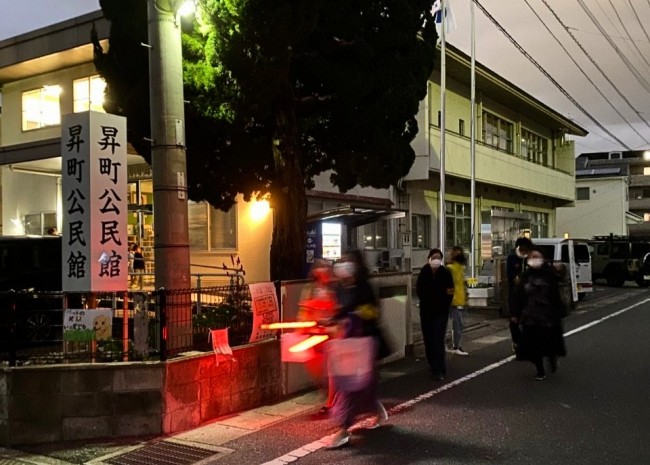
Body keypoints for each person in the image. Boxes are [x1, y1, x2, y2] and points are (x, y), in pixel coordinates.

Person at [326, 249, 388, 449]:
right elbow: (338, 311)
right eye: (341, 261)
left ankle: (343, 429)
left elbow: (373, 312)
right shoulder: (339, 287)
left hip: (364, 343)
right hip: (347, 343)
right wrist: (333, 320)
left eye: (348, 261)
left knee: (351, 387)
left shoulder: (364, 287)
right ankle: (373, 407)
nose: (343, 265)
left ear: (356, 265)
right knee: (356, 385)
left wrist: (354, 315)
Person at [512, 247, 567, 380]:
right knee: (533, 345)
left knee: (549, 342)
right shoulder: (526, 276)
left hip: (548, 315)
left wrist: (556, 268)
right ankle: (540, 370)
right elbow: (518, 295)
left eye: (537, 257)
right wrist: (515, 313)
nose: (535, 259)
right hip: (530, 316)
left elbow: (558, 282)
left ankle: (552, 358)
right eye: (533, 257)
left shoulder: (549, 273)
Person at [297, 259, 338, 415]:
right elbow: (304, 309)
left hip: (332, 331)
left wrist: (332, 320)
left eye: (325, 268)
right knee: (314, 364)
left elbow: (337, 308)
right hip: (315, 331)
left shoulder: (334, 287)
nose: (323, 270)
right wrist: (303, 323)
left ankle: (331, 400)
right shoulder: (310, 289)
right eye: (320, 268)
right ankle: (327, 390)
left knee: (331, 367)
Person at [416, 248, 454, 381]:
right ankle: (432, 364)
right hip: (426, 311)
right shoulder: (424, 272)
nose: (436, 260)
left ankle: (439, 369)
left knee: (438, 339)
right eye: (434, 257)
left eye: (438, 258)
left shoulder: (445, 273)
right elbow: (419, 290)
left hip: (441, 312)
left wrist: (445, 304)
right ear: (429, 259)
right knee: (428, 339)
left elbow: (450, 291)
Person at [506, 237, 534, 353]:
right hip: (515, 294)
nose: (524, 251)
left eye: (526, 249)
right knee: (514, 320)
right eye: (522, 249)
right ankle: (516, 342)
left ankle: (527, 343)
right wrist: (517, 280)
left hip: (529, 295)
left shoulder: (531, 258)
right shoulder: (512, 258)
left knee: (529, 320)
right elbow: (511, 277)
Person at [446, 246, 469, 356]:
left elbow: (462, 283)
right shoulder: (450, 268)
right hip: (453, 300)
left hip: (458, 299)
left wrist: (465, 294)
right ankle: (455, 346)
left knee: (456, 324)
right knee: (456, 324)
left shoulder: (460, 268)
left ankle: (453, 346)